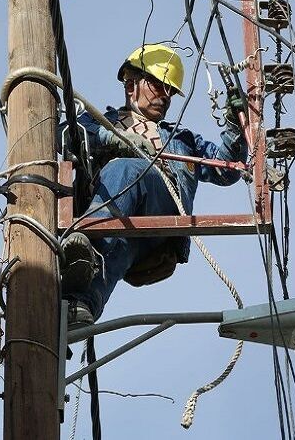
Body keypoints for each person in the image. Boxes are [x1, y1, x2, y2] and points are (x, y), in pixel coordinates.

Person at [60, 44, 248, 328]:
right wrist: (113, 139)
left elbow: (226, 169)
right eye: (159, 85)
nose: (166, 96)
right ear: (131, 83)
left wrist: (236, 125)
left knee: (124, 169)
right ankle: (77, 307)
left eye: (170, 90)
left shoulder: (182, 139)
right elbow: (62, 135)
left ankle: (86, 239)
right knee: (116, 248)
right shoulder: (101, 123)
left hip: (161, 216)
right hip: (121, 219)